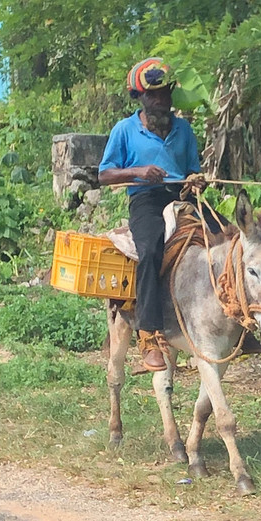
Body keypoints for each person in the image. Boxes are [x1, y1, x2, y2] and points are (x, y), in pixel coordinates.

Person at [98, 57, 211, 372]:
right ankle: (149, 335)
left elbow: (192, 172)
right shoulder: (124, 130)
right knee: (149, 250)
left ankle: (234, 318)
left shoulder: (184, 129)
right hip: (145, 198)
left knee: (226, 238)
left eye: (165, 93)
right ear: (139, 98)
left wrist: (195, 180)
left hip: (180, 197)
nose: (161, 100)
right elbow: (104, 175)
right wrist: (138, 171)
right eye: (153, 95)